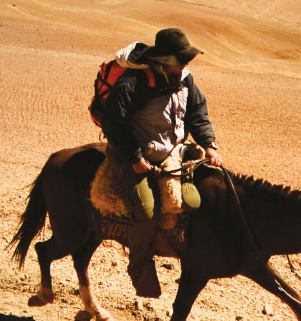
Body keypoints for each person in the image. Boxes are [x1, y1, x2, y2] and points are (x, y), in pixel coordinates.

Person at [94, 28, 222, 298]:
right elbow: (113, 124)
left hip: (173, 151)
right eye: (181, 60)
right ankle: (139, 267)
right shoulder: (133, 83)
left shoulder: (185, 79)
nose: (186, 65)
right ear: (163, 61)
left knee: (196, 201)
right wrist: (135, 159)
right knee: (147, 209)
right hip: (134, 156)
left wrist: (210, 145)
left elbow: (198, 113)